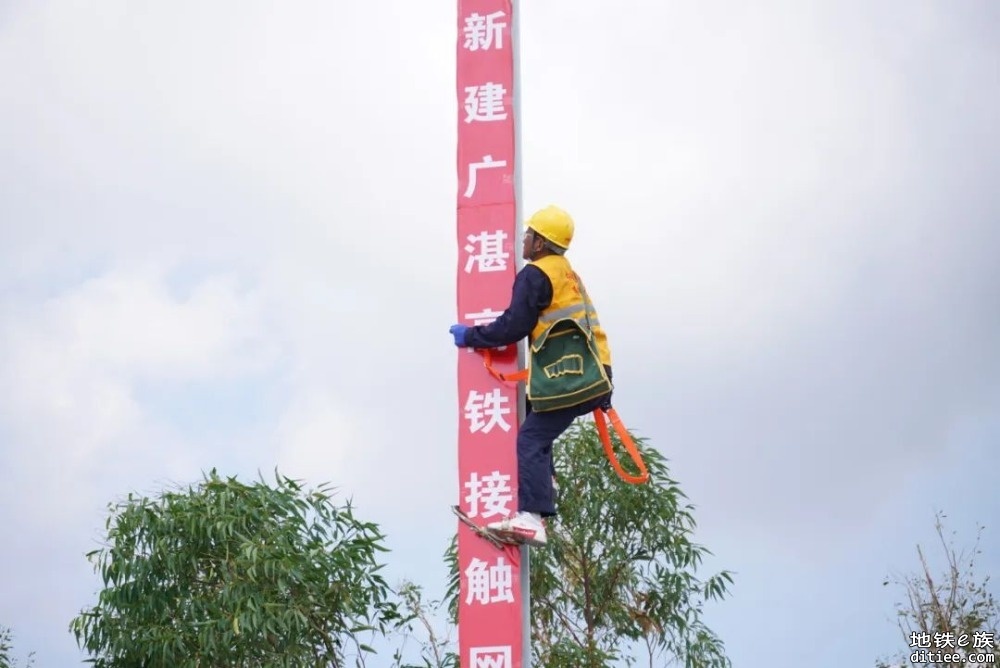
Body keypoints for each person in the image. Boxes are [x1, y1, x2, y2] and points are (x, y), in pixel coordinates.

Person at [449, 205, 613, 547]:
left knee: (530, 439)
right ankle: (547, 482)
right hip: (589, 376)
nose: (523, 239)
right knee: (531, 412)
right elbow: (592, 328)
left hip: (567, 379)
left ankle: (531, 518)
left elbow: (514, 327)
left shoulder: (535, 274)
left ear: (540, 243)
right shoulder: (568, 274)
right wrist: (605, 380)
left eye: (528, 234)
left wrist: (472, 336)